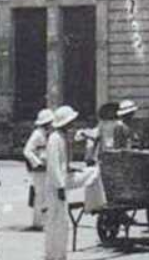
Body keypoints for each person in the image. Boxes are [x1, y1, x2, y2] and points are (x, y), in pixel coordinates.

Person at [43, 105, 98, 260]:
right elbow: (53, 165)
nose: (73, 124)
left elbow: (60, 164)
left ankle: (57, 254)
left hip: (59, 182)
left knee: (59, 222)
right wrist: (60, 186)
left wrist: (70, 169)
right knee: (57, 222)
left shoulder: (61, 137)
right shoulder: (55, 139)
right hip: (56, 186)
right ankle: (55, 255)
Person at [23, 108, 54, 230]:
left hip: (46, 168)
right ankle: (38, 222)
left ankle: (44, 221)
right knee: (39, 195)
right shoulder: (37, 134)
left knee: (45, 194)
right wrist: (37, 163)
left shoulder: (47, 134)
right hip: (39, 169)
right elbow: (27, 151)